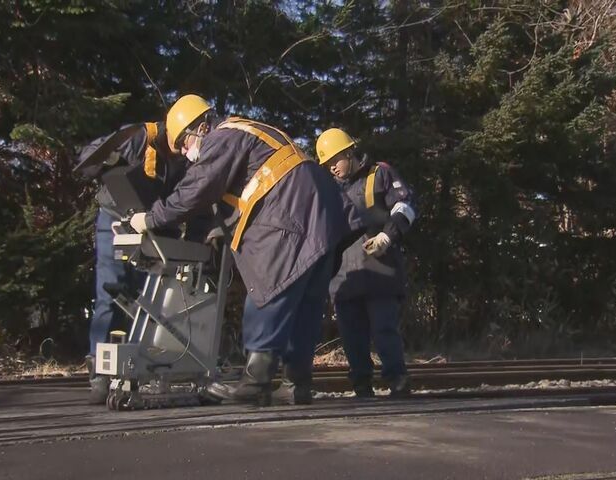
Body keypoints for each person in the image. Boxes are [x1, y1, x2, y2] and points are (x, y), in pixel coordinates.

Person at [130, 95, 357, 406]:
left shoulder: (223, 136)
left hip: (290, 214)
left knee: (268, 288)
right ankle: (296, 383)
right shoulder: (253, 133)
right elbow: (233, 197)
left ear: (202, 126)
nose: (185, 152)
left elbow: (197, 189)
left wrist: (152, 217)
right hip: (322, 214)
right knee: (305, 303)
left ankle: (256, 381)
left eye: (183, 142)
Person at [77, 121, 188, 404]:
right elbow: (89, 159)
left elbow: (183, 200)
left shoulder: (181, 160)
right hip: (115, 219)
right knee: (110, 293)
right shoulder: (138, 136)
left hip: (152, 227)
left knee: (148, 299)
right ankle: (100, 372)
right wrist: (111, 159)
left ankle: (139, 367)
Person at [315, 127, 415, 397]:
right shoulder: (328, 191)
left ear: (349, 152)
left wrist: (387, 236)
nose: (332, 168)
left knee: (384, 329)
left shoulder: (380, 174)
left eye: (335, 160)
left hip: (379, 272)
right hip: (345, 278)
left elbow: (405, 207)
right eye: (327, 164)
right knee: (352, 337)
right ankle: (361, 385)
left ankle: (397, 380)